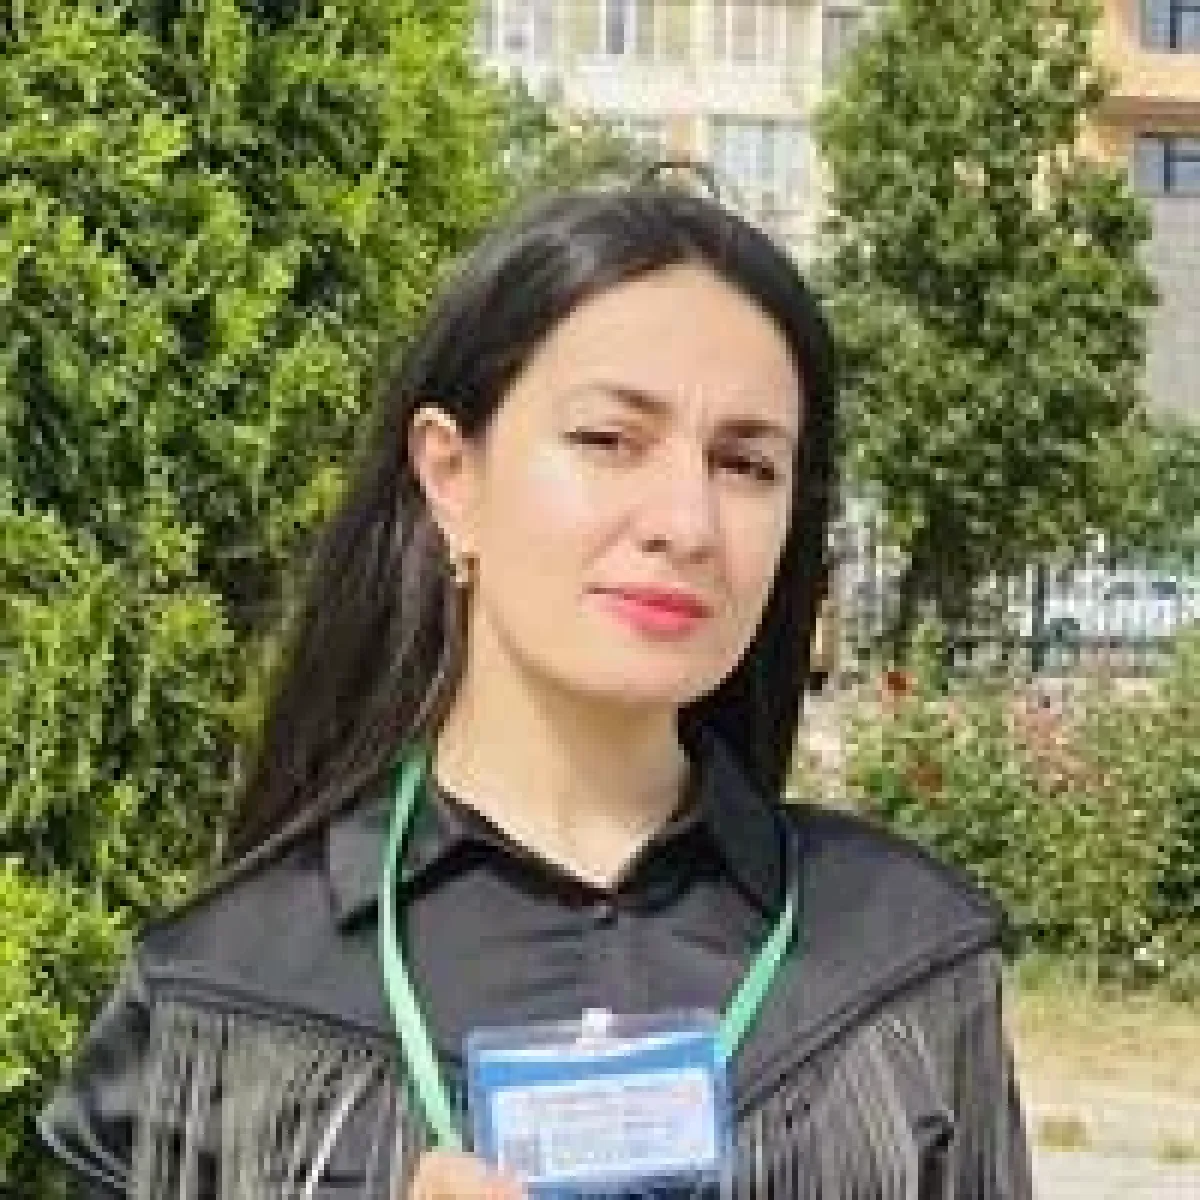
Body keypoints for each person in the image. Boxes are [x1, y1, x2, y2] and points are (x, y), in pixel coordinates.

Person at [39, 182, 1031, 1198]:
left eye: (745, 464)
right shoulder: (223, 994)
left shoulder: (903, 963)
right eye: (608, 440)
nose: (687, 524)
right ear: (451, 474)